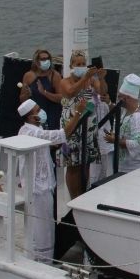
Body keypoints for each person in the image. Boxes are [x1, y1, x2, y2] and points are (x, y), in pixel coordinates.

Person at [18, 97, 88, 262]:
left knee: (46, 225)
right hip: (37, 188)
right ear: (30, 117)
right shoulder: (31, 131)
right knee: (42, 228)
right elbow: (63, 134)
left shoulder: (36, 128)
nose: (40, 112)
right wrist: (78, 112)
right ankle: (43, 260)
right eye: (37, 111)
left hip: (43, 185)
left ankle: (43, 258)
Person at [56, 50, 105, 199]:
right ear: (71, 65)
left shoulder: (91, 79)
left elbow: (102, 91)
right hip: (72, 123)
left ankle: (84, 192)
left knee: (86, 162)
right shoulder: (65, 81)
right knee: (73, 165)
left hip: (89, 125)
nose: (82, 66)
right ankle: (74, 196)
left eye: (83, 64)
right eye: (78, 64)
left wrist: (101, 79)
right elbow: (71, 92)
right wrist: (85, 77)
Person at [104, 74, 140, 174]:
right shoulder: (126, 112)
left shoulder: (139, 117)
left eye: (119, 97)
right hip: (125, 166)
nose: (118, 100)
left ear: (126, 98)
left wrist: (115, 140)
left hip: (136, 169)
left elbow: (139, 144)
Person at [20, 48, 63, 130]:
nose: (46, 61)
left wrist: (44, 92)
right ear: (36, 61)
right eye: (43, 59)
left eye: (48, 58)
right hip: (36, 115)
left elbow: (61, 98)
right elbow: (22, 100)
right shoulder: (28, 76)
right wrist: (26, 94)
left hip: (52, 114)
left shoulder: (55, 75)